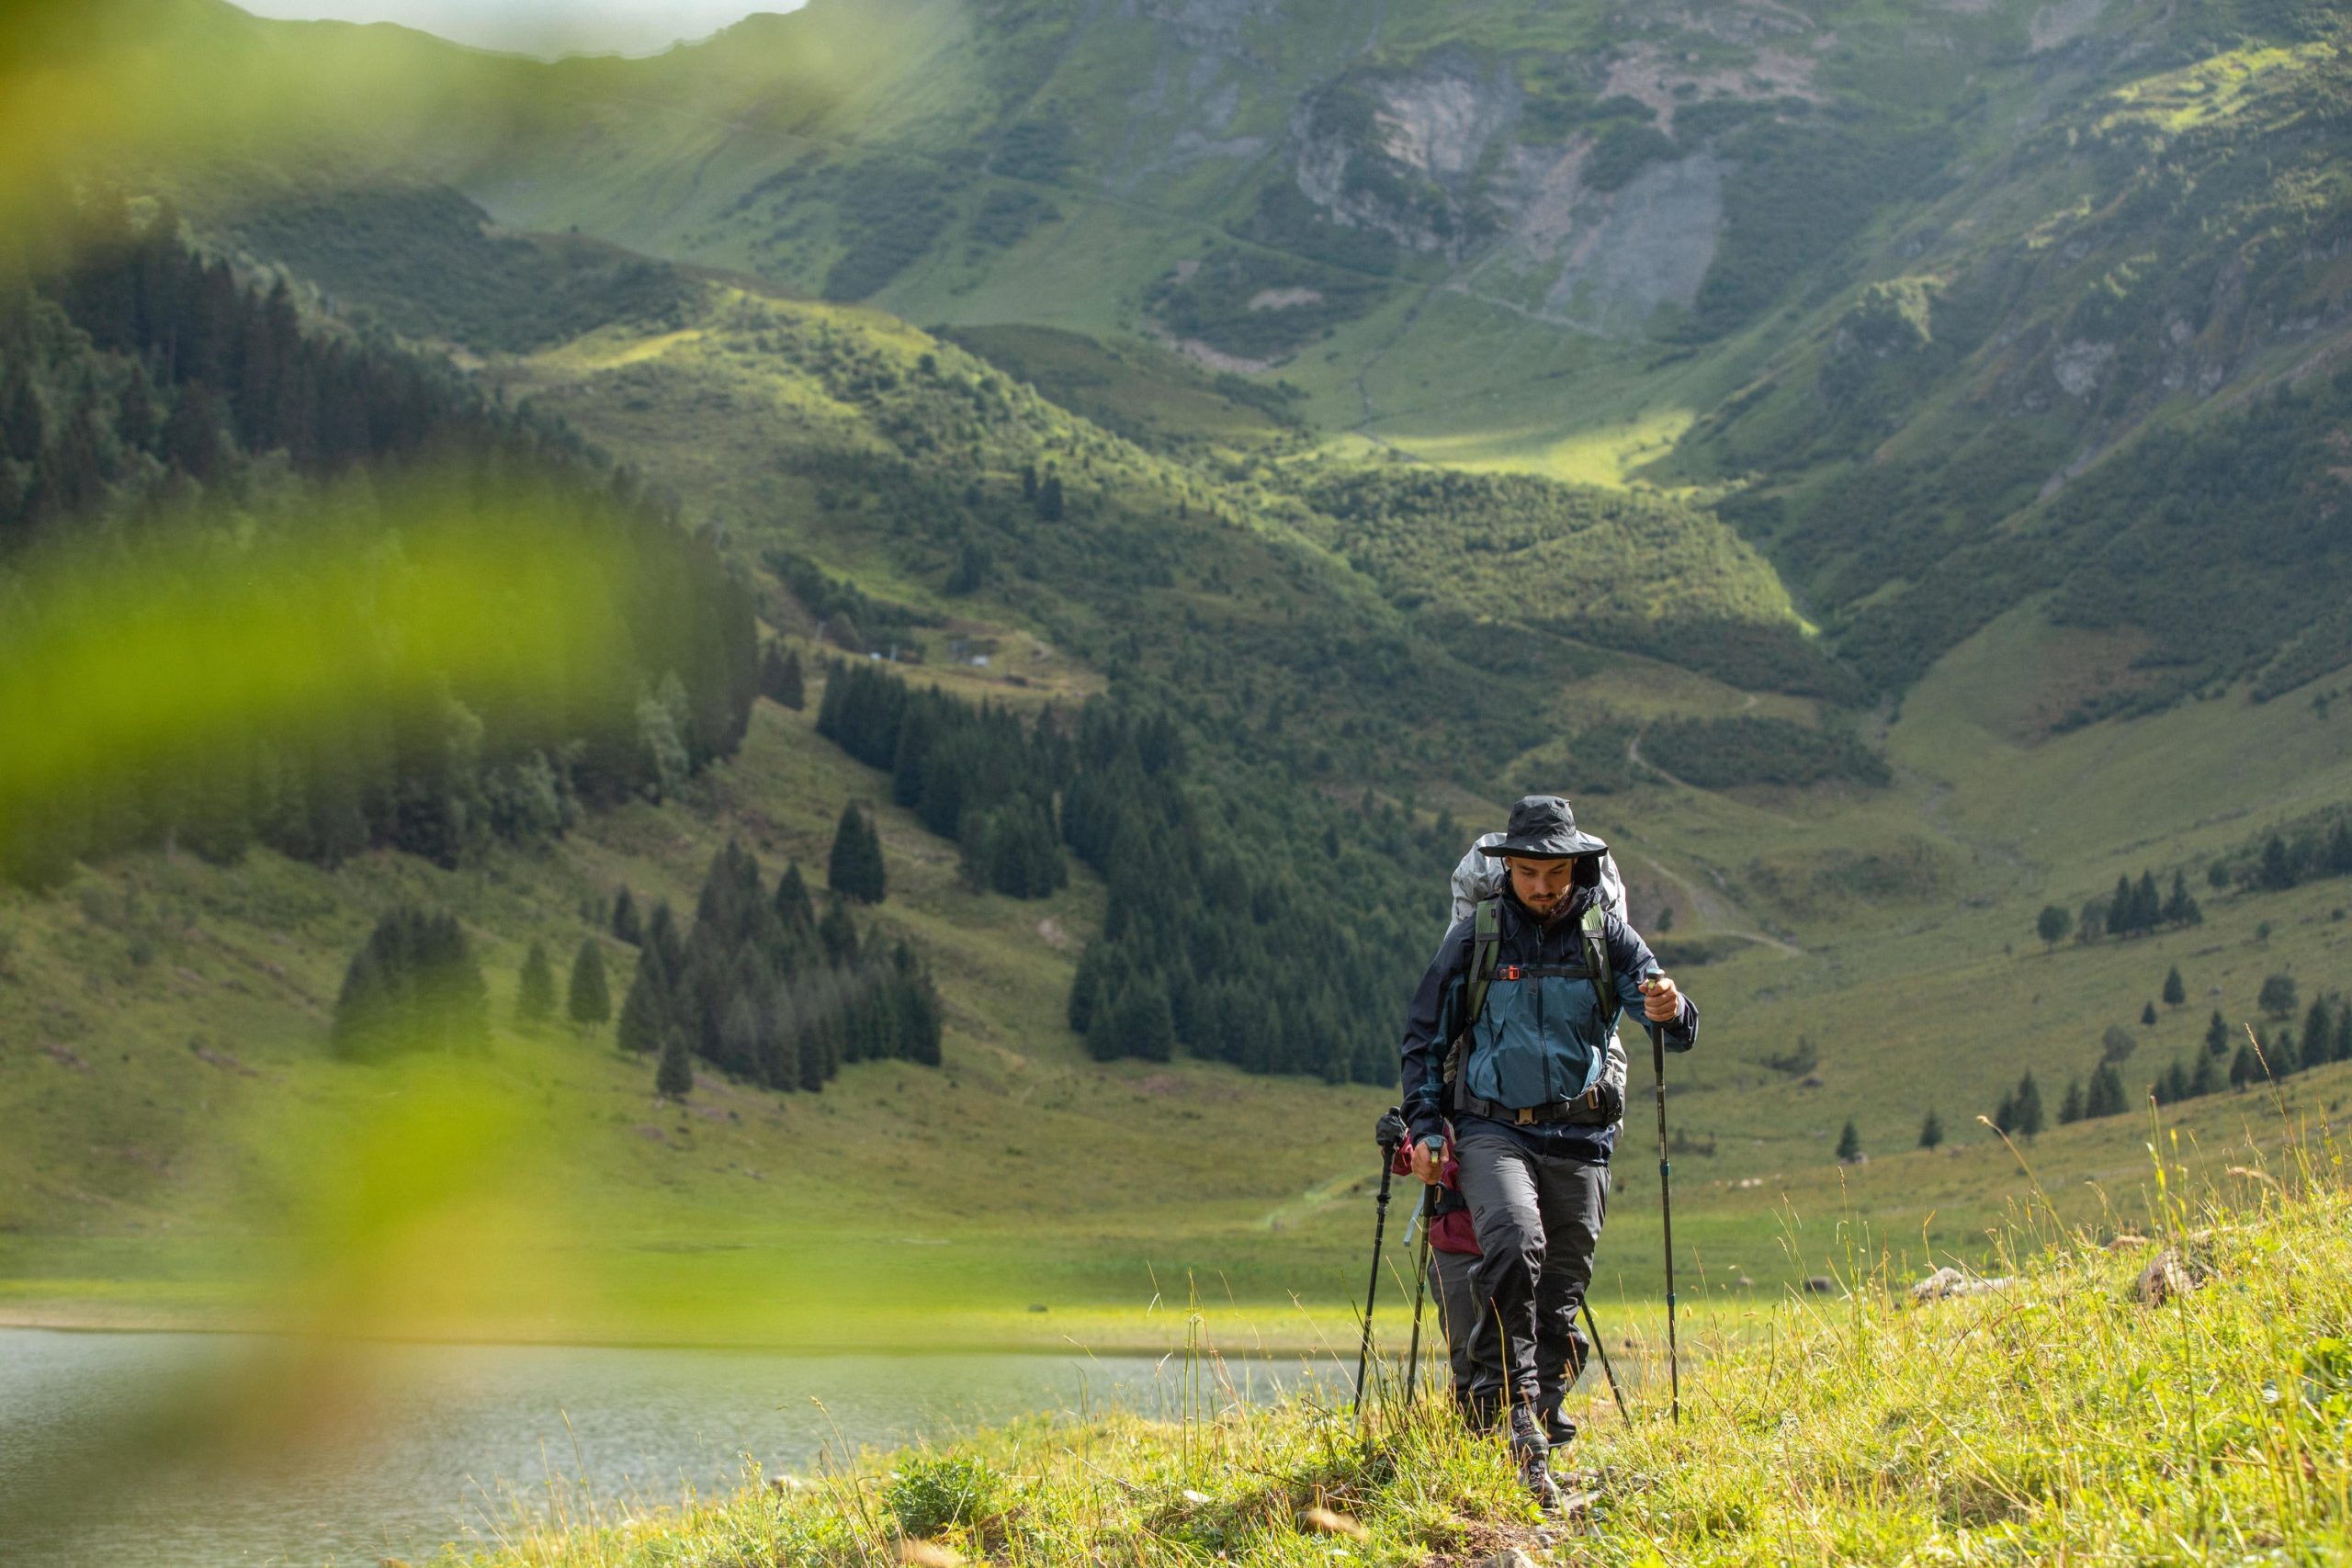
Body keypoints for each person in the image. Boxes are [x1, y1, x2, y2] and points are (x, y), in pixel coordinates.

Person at [1398, 795, 1697, 1503]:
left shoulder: (1608, 936)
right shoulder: (1477, 938)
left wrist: (1670, 1007)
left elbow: (1675, 1024)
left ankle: (1543, 1432)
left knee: (1560, 1292)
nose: (1544, 886)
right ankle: (1512, 1420)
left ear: (1577, 866)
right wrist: (1429, 1126)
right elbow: (1423, 1038)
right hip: (1491, 1127)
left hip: (1579, 1133)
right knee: (1513, 1243)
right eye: (1530, 872)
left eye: (1556, 871)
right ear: (1509, 868)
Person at [1385, 1127, 1493, 1416]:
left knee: (1522, 1342)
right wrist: (1395, 1141)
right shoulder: (1439, 1097)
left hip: (1510, 1240)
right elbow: (1409, 1156)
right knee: (1466, 1348)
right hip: (1456, 1241)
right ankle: (1473, 1433)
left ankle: (1517, 1429)